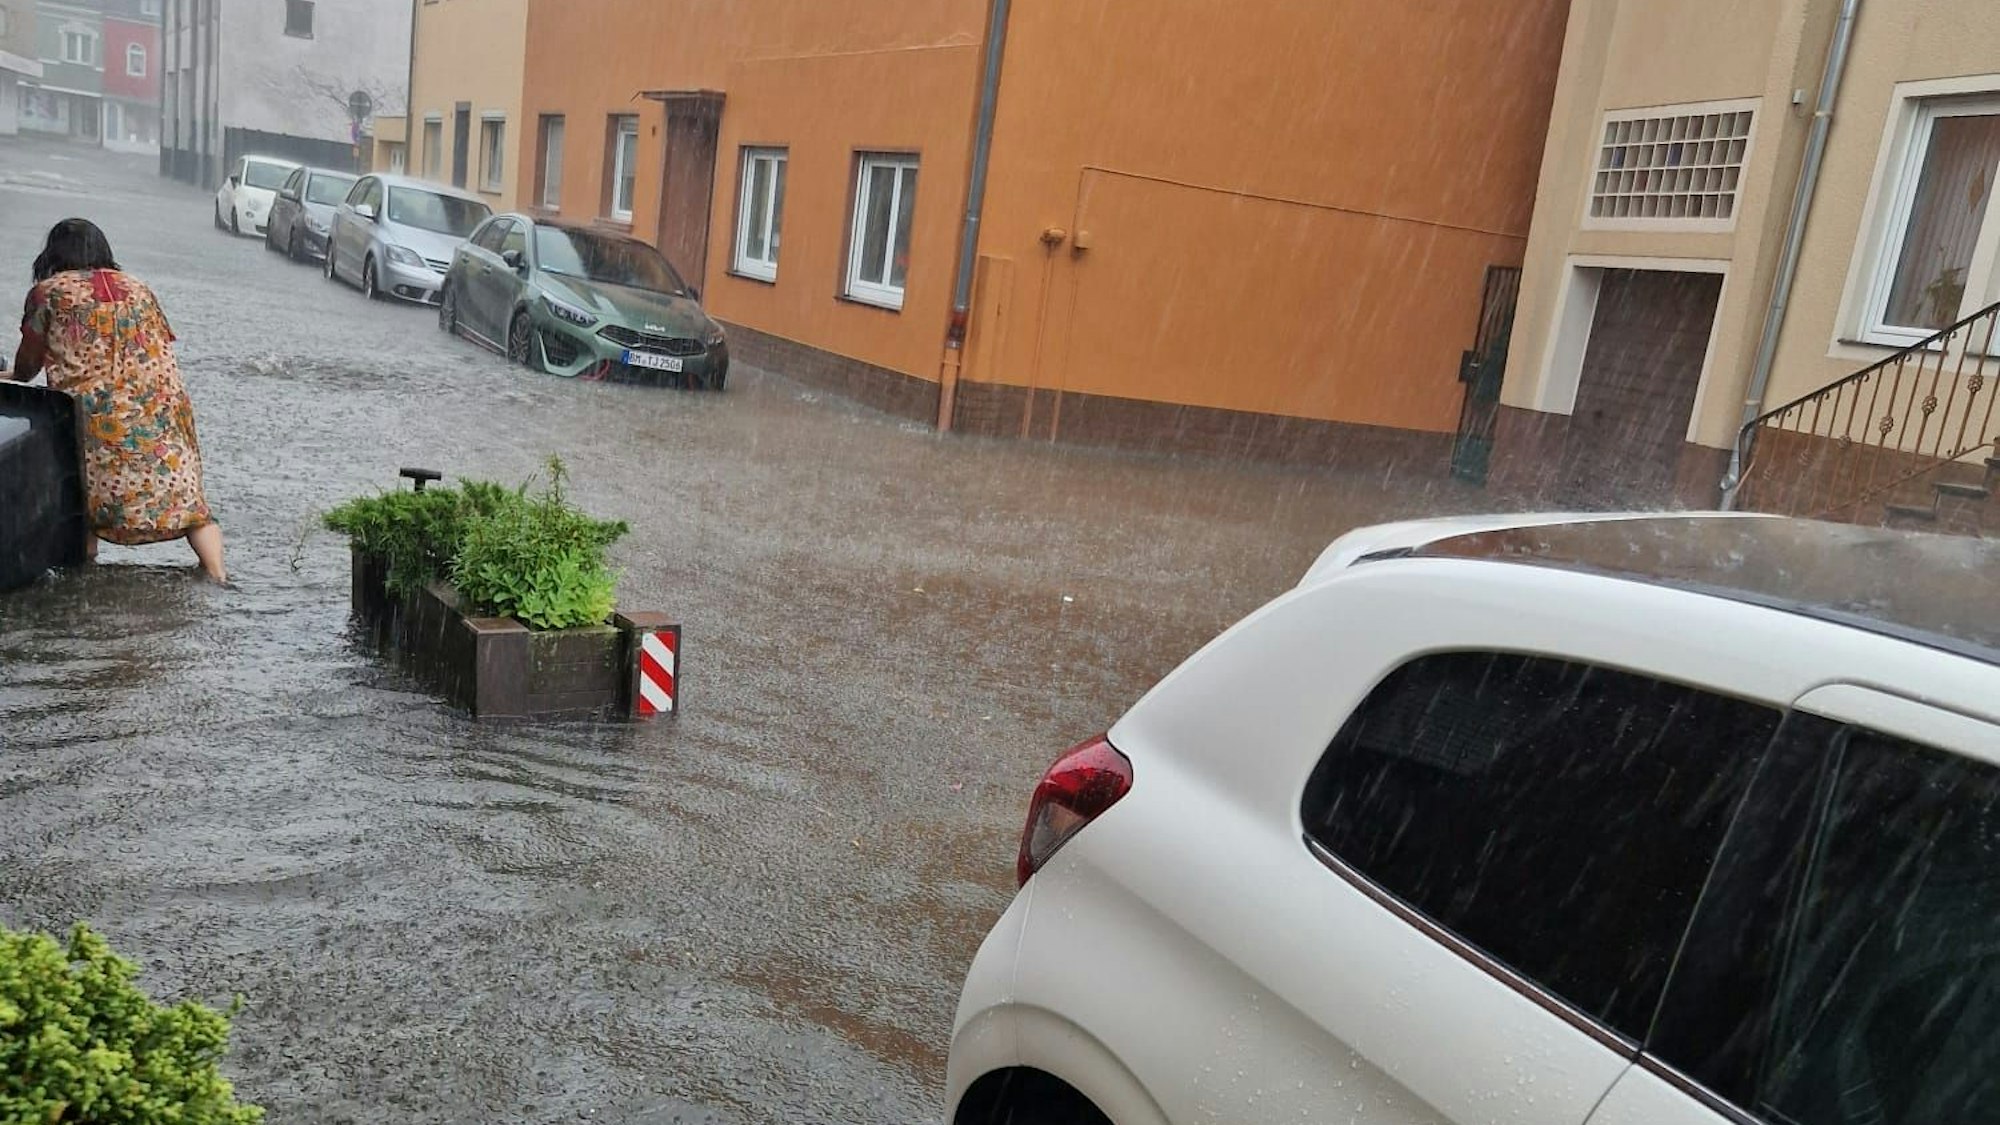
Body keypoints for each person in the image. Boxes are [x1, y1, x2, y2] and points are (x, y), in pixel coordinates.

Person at [7, 219, 227, 582]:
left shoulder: (49, 292)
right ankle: (218, 576)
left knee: (86, 498)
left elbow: (27, 367)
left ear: (53, 254)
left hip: (96, 417)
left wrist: (10, 375)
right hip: (160, 409)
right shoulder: (139, 287)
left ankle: (84, 575)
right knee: (189, 504)